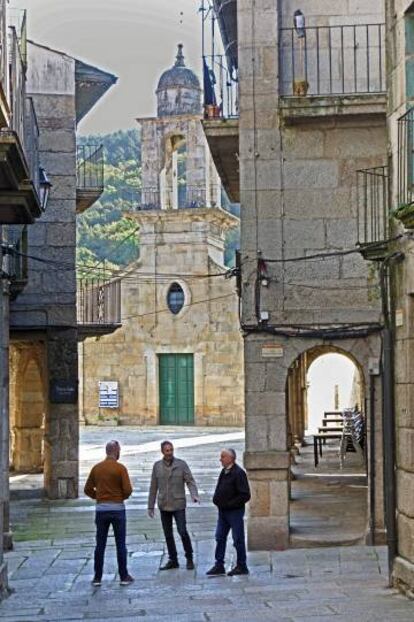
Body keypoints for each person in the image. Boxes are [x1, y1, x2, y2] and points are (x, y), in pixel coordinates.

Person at [84, 440, 134, 586]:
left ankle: (97, 577)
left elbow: (87, 489)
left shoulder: (97, 468)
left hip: (101, 510)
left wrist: (98, 497)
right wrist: (119, 498)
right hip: (117, 509)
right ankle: (123, 576)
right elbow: (128, 490)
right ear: (116, 451)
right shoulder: (120, 468)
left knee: (100, 544)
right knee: (120, 543)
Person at [148, 440, 199, 570]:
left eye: (171, 450)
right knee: (168, 534)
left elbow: (190, 481)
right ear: (162, 451)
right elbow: (153, 487)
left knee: (182, 531)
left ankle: (189, 558)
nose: (169, 452)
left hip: (178, 504)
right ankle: (173, 559)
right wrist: (150, 506)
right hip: (164, 504)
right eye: (167, 450)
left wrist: (194, 494)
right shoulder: (157, 466)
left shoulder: (181, 464)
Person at [206, 448, 251, 576]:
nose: (220, 459)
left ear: (231, 458)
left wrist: (230, 504)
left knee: (238, 539)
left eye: (223, 457)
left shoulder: (239, 473)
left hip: (234, 512)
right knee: (220, 537)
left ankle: (242, 565)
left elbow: (245, 495)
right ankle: (219, 564)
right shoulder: (224, 471)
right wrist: (216, 499)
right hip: (223, 512)